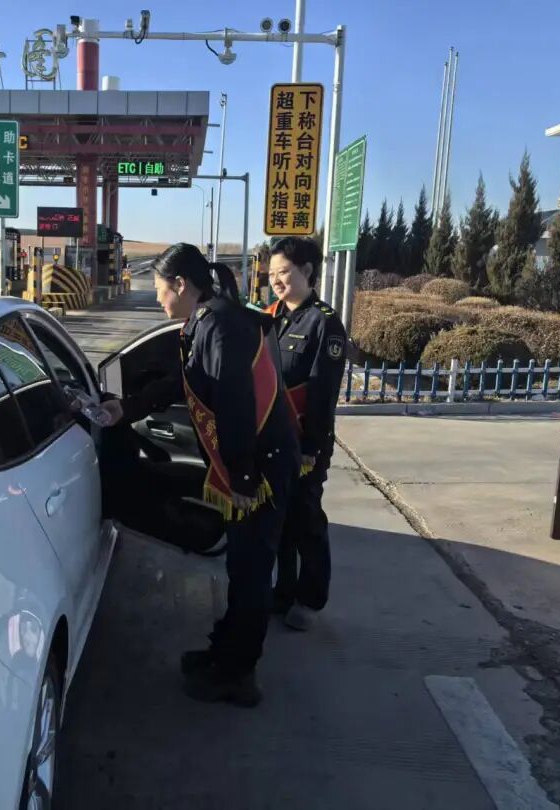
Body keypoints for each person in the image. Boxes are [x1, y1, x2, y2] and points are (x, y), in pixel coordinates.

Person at [99, 243, 299, 706]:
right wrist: (126, 408)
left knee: (251, 572)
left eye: (159, 289)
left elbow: (235, 405)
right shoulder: (207, 321)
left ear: (181, 284)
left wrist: (242, 480)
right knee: (240, 567)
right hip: (254, 464)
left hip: (262, 469)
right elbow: (182, 382)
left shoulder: (222, 326)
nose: (157, 298)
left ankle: (238, 676)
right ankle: (224, 652)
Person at [264, 237, 347, 631]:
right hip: (275, 440)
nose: (276, 281)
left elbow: (322, 393)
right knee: (280, 520)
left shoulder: (325, 323)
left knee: (306, 519)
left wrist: (311, 446)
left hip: (305, 442)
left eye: (283, 272)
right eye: (271, 274)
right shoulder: (273, 317)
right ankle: (283, 591)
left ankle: (311, 599)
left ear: (307, 271)